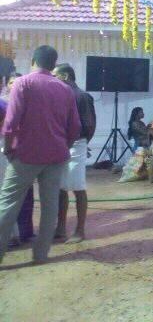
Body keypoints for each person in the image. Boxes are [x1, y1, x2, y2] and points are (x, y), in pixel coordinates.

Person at [0, 46, 81, 264]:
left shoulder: (23, 83)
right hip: (56, 156)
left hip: (25, 155)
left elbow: (10, 123)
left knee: (7, 204)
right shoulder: (65, 89)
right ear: (53, 65)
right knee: (50, 205)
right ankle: (40, 255)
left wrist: (9, 148)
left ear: (33, 60)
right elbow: (75, 128)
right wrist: (64, 146)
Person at [52, 63, 96, 243]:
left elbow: (89, 125)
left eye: (55, 76)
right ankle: (60, 228)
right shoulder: (59, 95)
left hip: (76, 145)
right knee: (61, 188)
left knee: (78, 188)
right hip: (60, 145)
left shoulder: (82, 96)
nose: (52, 79)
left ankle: (79, 231)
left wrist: (82, 145)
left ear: (64, 76)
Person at [2, 73, 34, 245]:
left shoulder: (27, 103)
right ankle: (12, 235)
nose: (14, 86)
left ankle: (25, 232)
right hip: (7, 152)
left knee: (26, 195)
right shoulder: (3, 102)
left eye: (17, 83)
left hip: (21, 153)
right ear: (7, 85)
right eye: (11, 83)